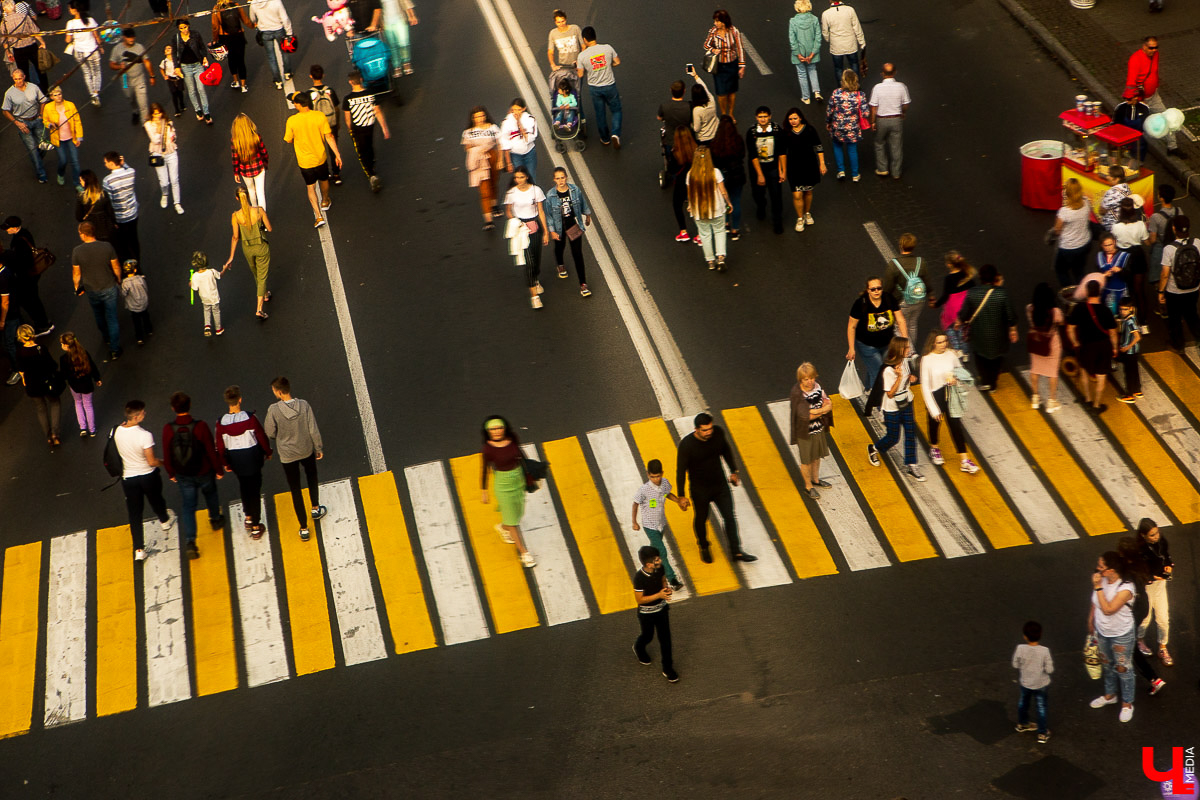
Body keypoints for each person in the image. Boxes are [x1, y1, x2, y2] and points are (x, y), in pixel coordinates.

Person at [676, 412, 756, 564]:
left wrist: (733, 471)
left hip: (720, 486)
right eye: (705, 430)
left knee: (729, 517)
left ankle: (736, 551)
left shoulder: (718, 433)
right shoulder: (687, 445)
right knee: (701, 519)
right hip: (700, 490)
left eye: (710, 428)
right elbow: (680, 471)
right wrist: (681, 495)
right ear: (696, 429)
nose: (709, 432)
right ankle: (704, 546)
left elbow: (726, 451)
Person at [162, 392, 223, 560]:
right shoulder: (200, 426)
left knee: (189, 506)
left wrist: (171, 473)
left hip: (183, 474)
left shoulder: (168, 429)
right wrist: (218, 470)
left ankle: (190, 541)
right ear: (189, 406)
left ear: (173, 408)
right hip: (204, 471)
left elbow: (167, 454)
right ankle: (215, 520)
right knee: (211, 494)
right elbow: (210, 450)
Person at [264, 376, 326, 540]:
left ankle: (304, 528)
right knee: (312, 477)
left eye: (273, 391)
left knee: (295, 489)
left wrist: (280, 437)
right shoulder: (304, 405)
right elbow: (313, 429)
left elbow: (270, 432)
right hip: (306, 450)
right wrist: (318, 447)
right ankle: (315, 508)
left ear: (279, 392)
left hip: (287, 455)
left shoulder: (273, 410)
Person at [114, 400, 177, 561]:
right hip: (148, 476)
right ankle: (164, 521)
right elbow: (152, 461)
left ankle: (139, 549)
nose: (145, 414)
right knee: (156, 499)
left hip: (129, 478)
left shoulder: (117, 431)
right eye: (142, 413)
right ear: (135, 417)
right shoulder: (145, 435)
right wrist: (164, 462)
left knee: (135, 514)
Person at [216, 385, 273, 538]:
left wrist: (225, 463)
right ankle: (255, 526)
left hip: (236, 461)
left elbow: (220, 446)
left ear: (227, 402)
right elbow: (261, 437)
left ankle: (248, 516)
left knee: (244, 487)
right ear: (240, 399)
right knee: (254, 491)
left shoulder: (221, 423)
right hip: (253, 459)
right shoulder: (250, 419)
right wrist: (268, 452)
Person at [479, 415, 536, 568]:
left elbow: (521, 456)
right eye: (492, 429)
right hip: (503, 485)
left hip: (518, 481)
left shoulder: (512, 440)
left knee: (517, 513)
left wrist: (530, 473)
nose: (496, 431)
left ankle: (503, 527)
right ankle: (524, 553)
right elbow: (485, 469)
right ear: (488, 432)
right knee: (513, 522)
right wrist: (484, 490)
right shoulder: (488, 449)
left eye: (499, 428)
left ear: (504, 428)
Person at [1088, 550, 1138, 723]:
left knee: (1123, 668)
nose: (1098, 569)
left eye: (1101, 566)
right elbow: (1095, 603)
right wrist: (1091, 619)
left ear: (1111, 570)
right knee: (1107, 665)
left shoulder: (1126, 588)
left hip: (1121, 634)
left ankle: (1127, 703)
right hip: (1103, 631)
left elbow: (1108, 610)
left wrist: (1098, 587)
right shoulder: (1101, 579)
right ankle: (1110, 695)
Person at [866, 337, 924, 482]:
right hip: (892, 408)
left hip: (907, 401)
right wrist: (898, 378)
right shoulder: (888, 370)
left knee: (910, 433)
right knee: (893, 437)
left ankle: (912, 464)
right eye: (906, 348)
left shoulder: (905, 361)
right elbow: (890, 394)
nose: (909, 350)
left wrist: (909, 378)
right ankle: (874, 448)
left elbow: (906, 377)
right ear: (899, 350)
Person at [920, 332, 979, 473]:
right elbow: (925, 386)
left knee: (955, 425)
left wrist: (955, 379)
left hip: (950, 393)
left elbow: (960, 371)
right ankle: (934, 447)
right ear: (933, 343)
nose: (943, 344)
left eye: (945, 341)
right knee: (934, 423)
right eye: (939, 342)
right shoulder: (927, 359)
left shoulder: (951, 355)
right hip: (935, 395)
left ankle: (964, 460)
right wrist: (934, 409)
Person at [956, 264, 1018, 391]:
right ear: (995, 277)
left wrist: (958, 322)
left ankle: (985, 381)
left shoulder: (972, 292)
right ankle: (993, 383)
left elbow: (964, 313)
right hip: (998, 334)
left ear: (980, 277)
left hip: (979, 333)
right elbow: (1011, 315)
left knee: (980, 358)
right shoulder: (1002, 293)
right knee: (996, 358)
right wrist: (1013, 329)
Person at [283, 92, 341, 229]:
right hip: (320, 157)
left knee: (310, 187)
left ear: (298, 105)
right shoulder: (319, 116)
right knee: (324, 180)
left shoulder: (292, 120)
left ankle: (318, 216)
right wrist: (337, 154)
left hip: (304, 161)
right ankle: (325, 200)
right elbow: (329, 136)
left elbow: (288, 139)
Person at [631, 460, 686, 591]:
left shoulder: (665, 483)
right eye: (652, 476)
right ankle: (672, 580)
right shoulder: (644, 490)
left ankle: (649, 567)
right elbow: (635, 504)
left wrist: (678, 501)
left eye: (658, 476)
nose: (655, 479)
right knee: (662, 552)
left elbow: (667, 494)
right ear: (648, 474)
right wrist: (634, 522)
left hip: (661, 523)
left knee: (654, 550)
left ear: (662, 473)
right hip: (650, 526)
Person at [70, 221, 122, 360]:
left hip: (91, 289)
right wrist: (118, 279)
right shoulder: (107, 246)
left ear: (83, 234)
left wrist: (77, 287)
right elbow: (116, 266)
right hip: (108, 286)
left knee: (99, 315)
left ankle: (106, 337)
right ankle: (115, 349)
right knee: (112, 318)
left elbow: (76, 274)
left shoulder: (77, 251)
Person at [1067, 279, 1118, 414]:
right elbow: (1113, 333)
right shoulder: (1106, 310)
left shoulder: (1079, 308)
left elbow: (1070, 329)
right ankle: (1096, 406)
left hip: (1086, 345)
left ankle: (1088, 399)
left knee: (1084, 371)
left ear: (1087, 292)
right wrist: (1114, 348)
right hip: (1103, 346)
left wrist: (1075, 343)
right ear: (1099, 293)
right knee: (1101, 377)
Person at [846, 275, 906, 389]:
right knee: (879, 372)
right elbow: (851, 326)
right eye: (873, 289)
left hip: (888, 343)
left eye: (879, 288)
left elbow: (900, 320)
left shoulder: (889, 299)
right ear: (868, 290)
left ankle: (868, 389)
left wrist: (904, 341)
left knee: (877, 367)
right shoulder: (861, 303)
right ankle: (877, 398)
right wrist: (851, 348)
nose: (876, 291)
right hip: (867, 345)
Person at [222, 186, 272, 320]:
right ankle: (259, 309)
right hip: (261, 247)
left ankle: (264, 293)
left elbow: (235, 237)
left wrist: (231, 257)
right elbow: (269, 228)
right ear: (248, 196)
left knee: (256, 272)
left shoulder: (235, 216)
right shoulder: (259, 211)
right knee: (262, 276)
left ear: (237, 198)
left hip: (247, 249)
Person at [544, 166, 594, 296]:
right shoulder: (550, 195)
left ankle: (583, 284)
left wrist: (588, 216)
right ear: (554, 180)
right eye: (558, 178)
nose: (561, 181)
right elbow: (548, 215)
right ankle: (560, 264)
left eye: (562, 178)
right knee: (560, 247)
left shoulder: (574, 190)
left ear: (566, 177)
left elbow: (583, 203)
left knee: (577, 254)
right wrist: (552, 231)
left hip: (572, 224)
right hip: (558, 226)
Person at [504, 166, 548, 309]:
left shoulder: (536, 190)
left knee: (536, 258)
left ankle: (535, 278)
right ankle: (534, 296)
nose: (519, 180)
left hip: (535, 226)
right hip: (521, 229)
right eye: (516, 177)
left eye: (521, 177)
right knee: (528, 261)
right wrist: (517, 222)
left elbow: (541, 211)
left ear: (527, 177)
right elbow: (508, 211)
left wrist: (546, 232)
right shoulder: (511, 193)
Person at [632, 545, 677, 683]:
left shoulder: (660, 569)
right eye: (656, 559)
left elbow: (663, 580)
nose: (660, 561)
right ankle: (638, 647)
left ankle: (667, 668)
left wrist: (666, 589)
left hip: (662, 610)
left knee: (666, 640)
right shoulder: (639, 578)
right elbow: (640, 600)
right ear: (648, 564)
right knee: (648, 636)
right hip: (647, 614)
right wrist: (659, 595)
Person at [789, 362, 834, 499]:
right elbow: (806, 417)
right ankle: (808, 486)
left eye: (812, 378)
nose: (810, 382)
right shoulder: (797, 393)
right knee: (806, 460)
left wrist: (816, 411)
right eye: (806, 379)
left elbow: (828, 403)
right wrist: (822, 410)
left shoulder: (818, 387)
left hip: (818, 428)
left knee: (816, 456)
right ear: (800, 380)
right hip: (805, 433)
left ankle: (815, 480)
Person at [1125, 36, 1176, 153]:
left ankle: (1173, 147)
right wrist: (1135, 98)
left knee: (1166, 119)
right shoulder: (1135, 59)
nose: (1154, 50)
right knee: (1137, 125)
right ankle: (1130, 147)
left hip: (1153, 95)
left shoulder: (1155, 55)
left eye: (1156, 47)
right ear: (1144, 47)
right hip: (1141, 100)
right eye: (1151, 48)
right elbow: (1131, 81)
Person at [15, 324, 63, 448]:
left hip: (32, 384)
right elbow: (53, 365)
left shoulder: (20, 352)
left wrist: (24, 379)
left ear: (21, 337)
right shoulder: (41, 349)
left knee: (41, 409)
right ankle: (55, 433)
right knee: (55, 403)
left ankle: (48, 436)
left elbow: (21, 370)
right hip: (46, 382)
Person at [2, 217, 51, 337]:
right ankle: (44, 322)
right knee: (34, 299)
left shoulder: (19, 242)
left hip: (26, 276)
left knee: (29, 301)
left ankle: (42, 325)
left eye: (8, 228)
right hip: (32, 274)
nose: (6, 230)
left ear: (15, 228)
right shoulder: (24, 234)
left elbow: (21, 261)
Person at [686, 146, 733, 271]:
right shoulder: (715, 172)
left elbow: (690, 194)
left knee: (705, 234)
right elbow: (723, 191)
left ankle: (710, 260)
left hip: (699, 211)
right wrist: (729, 203)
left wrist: (690, 205)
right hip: (717, 209)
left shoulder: (690, 174)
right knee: (719, 231)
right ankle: (720, 257)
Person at [1134, 519, 1173, 666]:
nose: (1156, 537)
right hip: (1147, 587)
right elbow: (1137, 572)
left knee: (1163, 618)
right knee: (1146, 617)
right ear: (1143, 535)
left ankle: (1162, 647)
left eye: (1157, 533)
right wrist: (1152, 577)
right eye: (1152, 535)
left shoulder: (1161, 542)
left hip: (1160, 585)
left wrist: (1168, 566)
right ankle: (1139, 640)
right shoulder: (1139, 550)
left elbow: (1166, 556)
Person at [1158, 215, 1200, 352]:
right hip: (1193, 288)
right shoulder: (1197, 243)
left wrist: (1160, 292)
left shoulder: (1169, 248)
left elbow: (1165, 274)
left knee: (1175, 318)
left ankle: (1178, 345)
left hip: (1174, 291)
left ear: (1174, 228)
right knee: (1192, 314)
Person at [343, 71, 389, 192]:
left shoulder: (348, 99)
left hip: (358, 128)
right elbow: (377, 111)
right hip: (370, 125)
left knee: (362, 151)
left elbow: (347, 118)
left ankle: (371, 174)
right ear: (361, 80)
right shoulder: (370, 94)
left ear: (350, 82)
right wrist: (384, 128)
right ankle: (372, 163)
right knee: (369, 145)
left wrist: (349, 129)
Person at [577, 27, 622, 148]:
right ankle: (615, 134)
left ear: (585, 39)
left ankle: (605, 138)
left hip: (595, 88)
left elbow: (580, 74)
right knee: (616, 110)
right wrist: (608, 65)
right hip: (609, 85)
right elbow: (617, 62)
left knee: (600, 113)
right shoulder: (607, 48)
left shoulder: (582, 56)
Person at [2, 70, 48, 183]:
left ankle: (36, 159)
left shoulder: (33, 87)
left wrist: (41, 115)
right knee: (32, 149)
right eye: (15, 79)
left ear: (24, 77)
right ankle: (41, 174)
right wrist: (17, 123)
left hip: (36, 119)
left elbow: (43, 100)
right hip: (23, 123)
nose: (18, 81)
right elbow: (5, 111)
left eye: (20, 78)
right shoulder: (9, 93)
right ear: (13, 79)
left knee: (44, 145)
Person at [783, 107, 825, 232]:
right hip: (793, 166)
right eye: (790, 119)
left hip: (809, 165)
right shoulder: (786, 132)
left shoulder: (810, 130)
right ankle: (800, 218)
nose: (793, 121)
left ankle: (807, 213)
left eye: (795, 118)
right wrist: (782, 170)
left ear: (800, 118)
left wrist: (822, 163)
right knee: (797, 194)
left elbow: (818, 146)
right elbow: (782, 153)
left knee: (808, 192)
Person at [884, 233, 930, 346]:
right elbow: (926, 281)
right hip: (918, 299)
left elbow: (888, 286)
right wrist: (932, 296)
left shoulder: (894, 264)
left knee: (900, 326)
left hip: (902, 301)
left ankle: (906, 351)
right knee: (912, 324)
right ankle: (912, 347)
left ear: (901, 245)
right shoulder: (921, 262)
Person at [746, 106, 786, 235]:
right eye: (760, 117)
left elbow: (782, 151)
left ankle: (777, 222)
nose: (763, 119)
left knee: (776, 196)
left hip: (773, 168)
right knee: (758, 193)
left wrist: (782, 170)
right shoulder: (751, 132)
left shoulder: (777, 130)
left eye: (765, 116)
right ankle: (761, 206)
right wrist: (759, 174)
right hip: (758, 168)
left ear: (770, 116)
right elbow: (752, 154)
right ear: (756, 117)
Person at [1012, 621, 1053, 744]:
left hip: (1025, 682)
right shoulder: (1044, 651)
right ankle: (1042, 733)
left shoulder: (1020, 648)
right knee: (1041, 707)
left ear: (1025, 636)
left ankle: (1023, 724)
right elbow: (1050, 669)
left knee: (1023, 703)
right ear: (1040, 634)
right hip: (1041, 684)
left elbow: (1015, 664)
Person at [868, 63, 910, 180]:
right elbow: (906, 103)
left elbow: (874, 107)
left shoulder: (877, 88)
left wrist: (873, 121)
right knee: (896, 146)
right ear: (895, 72)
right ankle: (896, 172)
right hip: (896, 119)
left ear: (882, 74)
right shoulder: (901, 86)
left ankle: (882, 168)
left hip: (881, 119)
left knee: (879, 143)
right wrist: (903, 112)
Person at [1026, 282, 1064, 413]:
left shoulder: (1030, 308)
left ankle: (1035, 398)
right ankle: (1051, 401)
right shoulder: (1055, 312)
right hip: (1051, 343)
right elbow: (1061, 322)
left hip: (1035, 341)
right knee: (1052, 372)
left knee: (1035, 369)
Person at [462, 106, 501, 230]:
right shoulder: (468, 132)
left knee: (493, 182)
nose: (480, 119)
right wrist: (478, 149)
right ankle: (488, 220)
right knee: (484, 191)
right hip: (479, 161)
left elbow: (500, 144)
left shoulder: (492, 128)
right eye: (477, 117)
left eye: (482, 116)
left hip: (492, 156)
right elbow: (467, 147)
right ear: (473, 118)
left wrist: (501, 160)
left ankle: (494, 205)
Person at [825, 69, 866, 181]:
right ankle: (855, 175)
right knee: (852, 150)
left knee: (837, 146)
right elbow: (865, 113)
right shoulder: (860, 95)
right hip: (853, 127)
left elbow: (829, 110)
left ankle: (841, 171)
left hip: (837, 126)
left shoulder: (836, 93)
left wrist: (828, 122)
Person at [1146, 184, 1180, 320]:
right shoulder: (1179, 211)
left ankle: (1162, 307)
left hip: (1160, 249)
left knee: (1159, 279)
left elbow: (1153, 239)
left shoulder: (1156, 217)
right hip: (1176, 247)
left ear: (1161, 198)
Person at [108, 27, 155, 125]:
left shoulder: (140, 47)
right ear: (124, 37)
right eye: (129, 37)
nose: (132, 39)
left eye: (133, 37)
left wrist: (152, 76)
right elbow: (111, 64)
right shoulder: (117, 49)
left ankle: (145, 123)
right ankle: (135, 110)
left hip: (139, 78)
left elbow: (147, 62)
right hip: (125, 79)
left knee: (143, 102)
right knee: (130, 97)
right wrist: (119, 66)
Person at [703, 9, 744, 121]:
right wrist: (713, 49)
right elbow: (706, 45)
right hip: (719, 66)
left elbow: (740, 48)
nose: (715, 23)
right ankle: (724, 114)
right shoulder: (713, 31)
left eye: (717, 21)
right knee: (721, 92)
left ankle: (730, 114)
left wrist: (742, 66)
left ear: (724, 21)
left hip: (732, 64)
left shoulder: (734, 31)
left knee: (732, 91)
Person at [710, 115, 745, 241]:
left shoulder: (715, 143)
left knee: (724, 200)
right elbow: (742, 155)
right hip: (737, 175)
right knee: (735, 200)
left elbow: (713, 161)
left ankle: (725, 223)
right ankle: (735, 229)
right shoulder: (738, 140)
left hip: (722, 176)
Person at [1112, 199, 1148, 319]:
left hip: (1122, 257)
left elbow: (1114, 243)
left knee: (1125, 288)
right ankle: (1142, 319)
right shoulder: (1140, 224)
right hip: (1138, 256)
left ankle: (1124, 317)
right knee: (1139, 290)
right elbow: (1147, 241)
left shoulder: (1116, 227)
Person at [0, 0, 47, 93]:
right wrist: (42, 42)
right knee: (40, 69)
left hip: (18, 50)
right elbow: (35, 31)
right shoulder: (24, 17)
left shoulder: (4, 23)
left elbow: (4, 40)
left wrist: (8, 52)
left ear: (4, 10)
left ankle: (28, 92)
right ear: (14, 7)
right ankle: (46, 90)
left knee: (24, 72)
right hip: (31, 46)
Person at [101, 152, 140, 264]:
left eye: (106, 162)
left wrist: (112, 220)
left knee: (123, 242)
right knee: (134, 239)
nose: (105, 164)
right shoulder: (131, 172)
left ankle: (127, 265)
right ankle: (137, 262)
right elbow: (129, 168)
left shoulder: (108, 180)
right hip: (132, 214)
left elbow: (109, 201)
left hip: (119, 217)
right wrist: (124, 163)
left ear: (111, 163)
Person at [1052, 177, 1092, 288]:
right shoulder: (1086, 203)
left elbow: (1057, 230)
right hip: (1084, 243)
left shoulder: (1064, 212)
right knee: (1079, 271)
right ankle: (1083, 292)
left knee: (1060, 270)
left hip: (1068, 247)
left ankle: (1069, 293)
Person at [145, 103, 183, 214]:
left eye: (159, 113)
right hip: (158, 154)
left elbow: (174, 136)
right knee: (164, 181)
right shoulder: (148, 125)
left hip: (171, 152)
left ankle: (177, 203)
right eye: (155, 114)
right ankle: (165, 194)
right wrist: (158, 128)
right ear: (152, 114)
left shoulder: (168, 122)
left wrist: (172, 136)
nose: (158, 116)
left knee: (175, 180)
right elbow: (155, 140)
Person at [172, 18, 212, 124]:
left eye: (185, 27)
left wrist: (204, 57)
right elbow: (174, 53)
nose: (184, 30)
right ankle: (198, 110)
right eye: (181, 28)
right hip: (185, 67)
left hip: (197, 65)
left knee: (201, 89)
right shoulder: (176, 38)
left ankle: (206, 112)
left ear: (188, 26)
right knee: (191, 90)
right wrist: (176, 66)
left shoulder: (195, 35)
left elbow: (202, 47)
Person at [308, 64, 341, 185]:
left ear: (311, 76)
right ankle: (336, 174)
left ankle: (326, 174)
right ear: (323, 75)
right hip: (331, 122)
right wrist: (337, 121)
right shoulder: (330, 90)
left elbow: (309, 112)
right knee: (333, 148)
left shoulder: (309, 93)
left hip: (317, 125)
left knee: (321, 150)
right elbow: (336, 108)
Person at [249, 0, 293, 90]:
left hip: (265, 31)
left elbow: (252, 19)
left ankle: (278, 81)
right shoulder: (276, 1)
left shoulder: (254, 3)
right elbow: (285, 18)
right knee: (284, 51)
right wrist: (289, 32)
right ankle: (287, 73)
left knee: (271, 57)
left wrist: (257, 23)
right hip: (278, 29)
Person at [65, 2, 103, 106]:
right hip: (92, 51)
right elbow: (96, 36)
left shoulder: (70, 23)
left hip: (79, 51)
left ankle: (92, 94)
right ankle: (96, 93)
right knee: (96, 72)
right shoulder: (90, 20)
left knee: (87, 73)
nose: (69, 10)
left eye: (70, 8)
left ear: (75, 10)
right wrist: (100, 47)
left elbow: (68, 40)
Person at [231, 113, 269, 211]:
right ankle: (263, 214)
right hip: (259, 167)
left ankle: (254, 210)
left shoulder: (235, 141)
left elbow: (235, 158)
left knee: (251, 190)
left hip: (245, 171)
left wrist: (236, 172)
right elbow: (264, 152)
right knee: (261, 192)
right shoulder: (256, 137)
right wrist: (265, 163)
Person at [820, 0, 864, 85]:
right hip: (850, 43)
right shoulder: (850, 10)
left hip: (836, 45)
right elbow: (857, 27)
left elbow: (825, 31)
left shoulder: (826, 14)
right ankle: (855, 85)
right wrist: (862, 42)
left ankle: (841, 88)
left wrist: (829, 39)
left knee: (838, 68)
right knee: (854, 64)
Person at [212, 0, 252, 93]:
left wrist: (215, 39)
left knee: (231, 59)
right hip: (238, 36)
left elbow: (215, 26)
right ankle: (243, 85)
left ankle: (235, 81)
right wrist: (253, 25)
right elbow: (245, 20)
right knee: (241, 60)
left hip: (225, 37)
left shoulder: (216, 9)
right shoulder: (236, 5)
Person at [789, 0, 822, 104]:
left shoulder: (793, 21)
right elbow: (818, 37)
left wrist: (798, 54)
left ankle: (806, 97)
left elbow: (792, 39)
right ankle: (817, 92)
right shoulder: (814, 19)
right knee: (812, 70)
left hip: (799, 52)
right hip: (811, 51)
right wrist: (813, 53)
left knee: (802, 74)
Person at [499, 97, 538, 184]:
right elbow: (504, 141)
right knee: (520, 178)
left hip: (529, 152)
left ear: (524, 109)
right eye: (514, 110)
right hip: (515, 154)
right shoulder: (507, 121)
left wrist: (519, 123)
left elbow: (530, 137)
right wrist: (508, 162)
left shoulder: (530, 119)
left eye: (519, 110)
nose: (516, 112)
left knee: (531, 176)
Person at [658, 80, 691, 176]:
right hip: (685, 139)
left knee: (671, 159)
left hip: (671, 140)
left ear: (671, 91)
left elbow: (659, 118)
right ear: (684, 91)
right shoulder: (688, 106)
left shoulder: (664, 106)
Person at [670, 127, 697, 243]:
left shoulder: (675, 153)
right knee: (696, 205)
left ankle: (683, 231)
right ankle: (701, 233)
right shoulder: (696, 149)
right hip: (695, 180)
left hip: (681, 182)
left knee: (677, 205)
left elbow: (672, 170)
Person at [75, 170, 116, 243]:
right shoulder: (103, 194)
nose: (80, 182)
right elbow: (110, 213)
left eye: (81, 180)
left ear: (85, 182)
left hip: (90, 232)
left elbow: (79, 217)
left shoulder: (81, 197)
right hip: (105, 229)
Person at [189, 251, 223, 336]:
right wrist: (225, 268)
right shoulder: (211, 272)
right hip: (214, 297)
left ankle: (207, 326)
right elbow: (220, 275)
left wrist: (191, 283)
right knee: (216, 312)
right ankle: (218, 329)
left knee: (206, 311)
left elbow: (194, 288)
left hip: (204, 298)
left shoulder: (195, 276)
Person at [1095, 232, 1130, 315]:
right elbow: (1095, 273)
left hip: (1119, 291)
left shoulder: (1124, 255)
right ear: (1101, 245)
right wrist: (1103, 275)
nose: (1108, 248)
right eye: (1105, 245)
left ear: (1114, 242)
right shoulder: (1099, 256)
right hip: (1104, 291)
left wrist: (1121, 270)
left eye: (1110, 245)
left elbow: (1130, 274)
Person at [1116, 296, 1142, 404]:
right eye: (1121, 309)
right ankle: (1137, 390)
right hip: (1134, 351)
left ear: (1131, 308)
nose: (1122, 311)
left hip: (1129, 352)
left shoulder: (1129, 321)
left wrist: (1127, 347)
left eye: (1125, 309)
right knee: (1134, 371)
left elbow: (1137, 337)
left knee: (1129, 373)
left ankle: (1129, 395)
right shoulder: (1132, 317)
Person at [1113, 89, 1150, 164]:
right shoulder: (1120, 108)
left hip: (1138, 140)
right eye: (1125, 99)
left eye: (1129, 99)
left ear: (1136, 97)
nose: (1127, 101)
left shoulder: (1144, 109)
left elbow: (1147, 125)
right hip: (1123, 137)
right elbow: (1115, 124)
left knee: (1137, 160)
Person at [120, 260, 151, 345]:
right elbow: (145, 288)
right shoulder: (140, 279)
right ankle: (149, 330)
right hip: (143, 302)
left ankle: (139, 338)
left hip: (133, 306)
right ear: (135, 270)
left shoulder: (125, 283)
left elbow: (123, 294)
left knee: (136, 322)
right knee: (145, 316)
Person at [688, 67, 717, 145]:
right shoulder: (711, 100)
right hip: (715, 133)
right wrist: (695, 76)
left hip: (704, 139)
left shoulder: (697, 110)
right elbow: (705, 87)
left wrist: (691, 125)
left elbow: (696, 129)